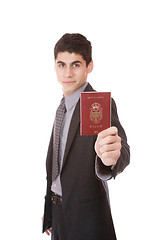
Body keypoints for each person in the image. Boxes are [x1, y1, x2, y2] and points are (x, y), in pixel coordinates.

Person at [42, 33, 130, 240]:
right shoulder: (61, 107)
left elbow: (121, 148)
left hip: (87, 220)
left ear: (89, 66)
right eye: (61, 65)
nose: (68, 73)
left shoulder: (96, 104)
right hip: (58, 214)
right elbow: (57, 162)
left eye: (76, 64)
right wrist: (49, 214)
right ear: (55, 66)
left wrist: (110, 159)